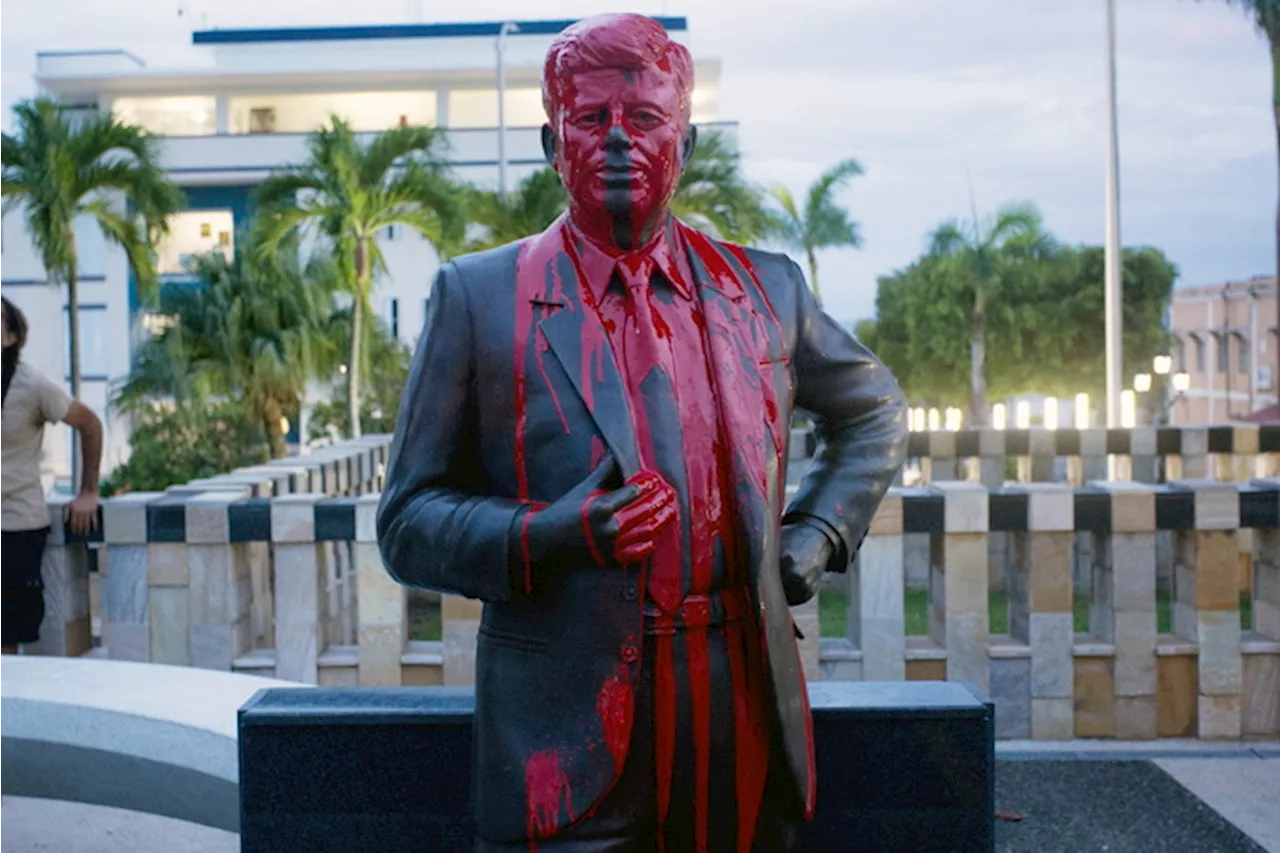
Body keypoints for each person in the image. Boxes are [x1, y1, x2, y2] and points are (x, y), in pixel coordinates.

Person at [377, 13, 907, 851]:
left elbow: (874, 407)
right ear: (554, 143)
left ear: (685, 143)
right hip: (566, 727)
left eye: (646, 120)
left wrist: (817, 530)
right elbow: (406, 522)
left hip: (739, 707)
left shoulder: (765, 290)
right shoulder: (479, 299)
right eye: (592, 121)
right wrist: (549, 534)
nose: (619, 142)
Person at [0, 295, 102, 655]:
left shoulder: (33, 386)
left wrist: (88, 491)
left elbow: (90, 424)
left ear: (11, 337)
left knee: (5, 639)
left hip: (15, 527)